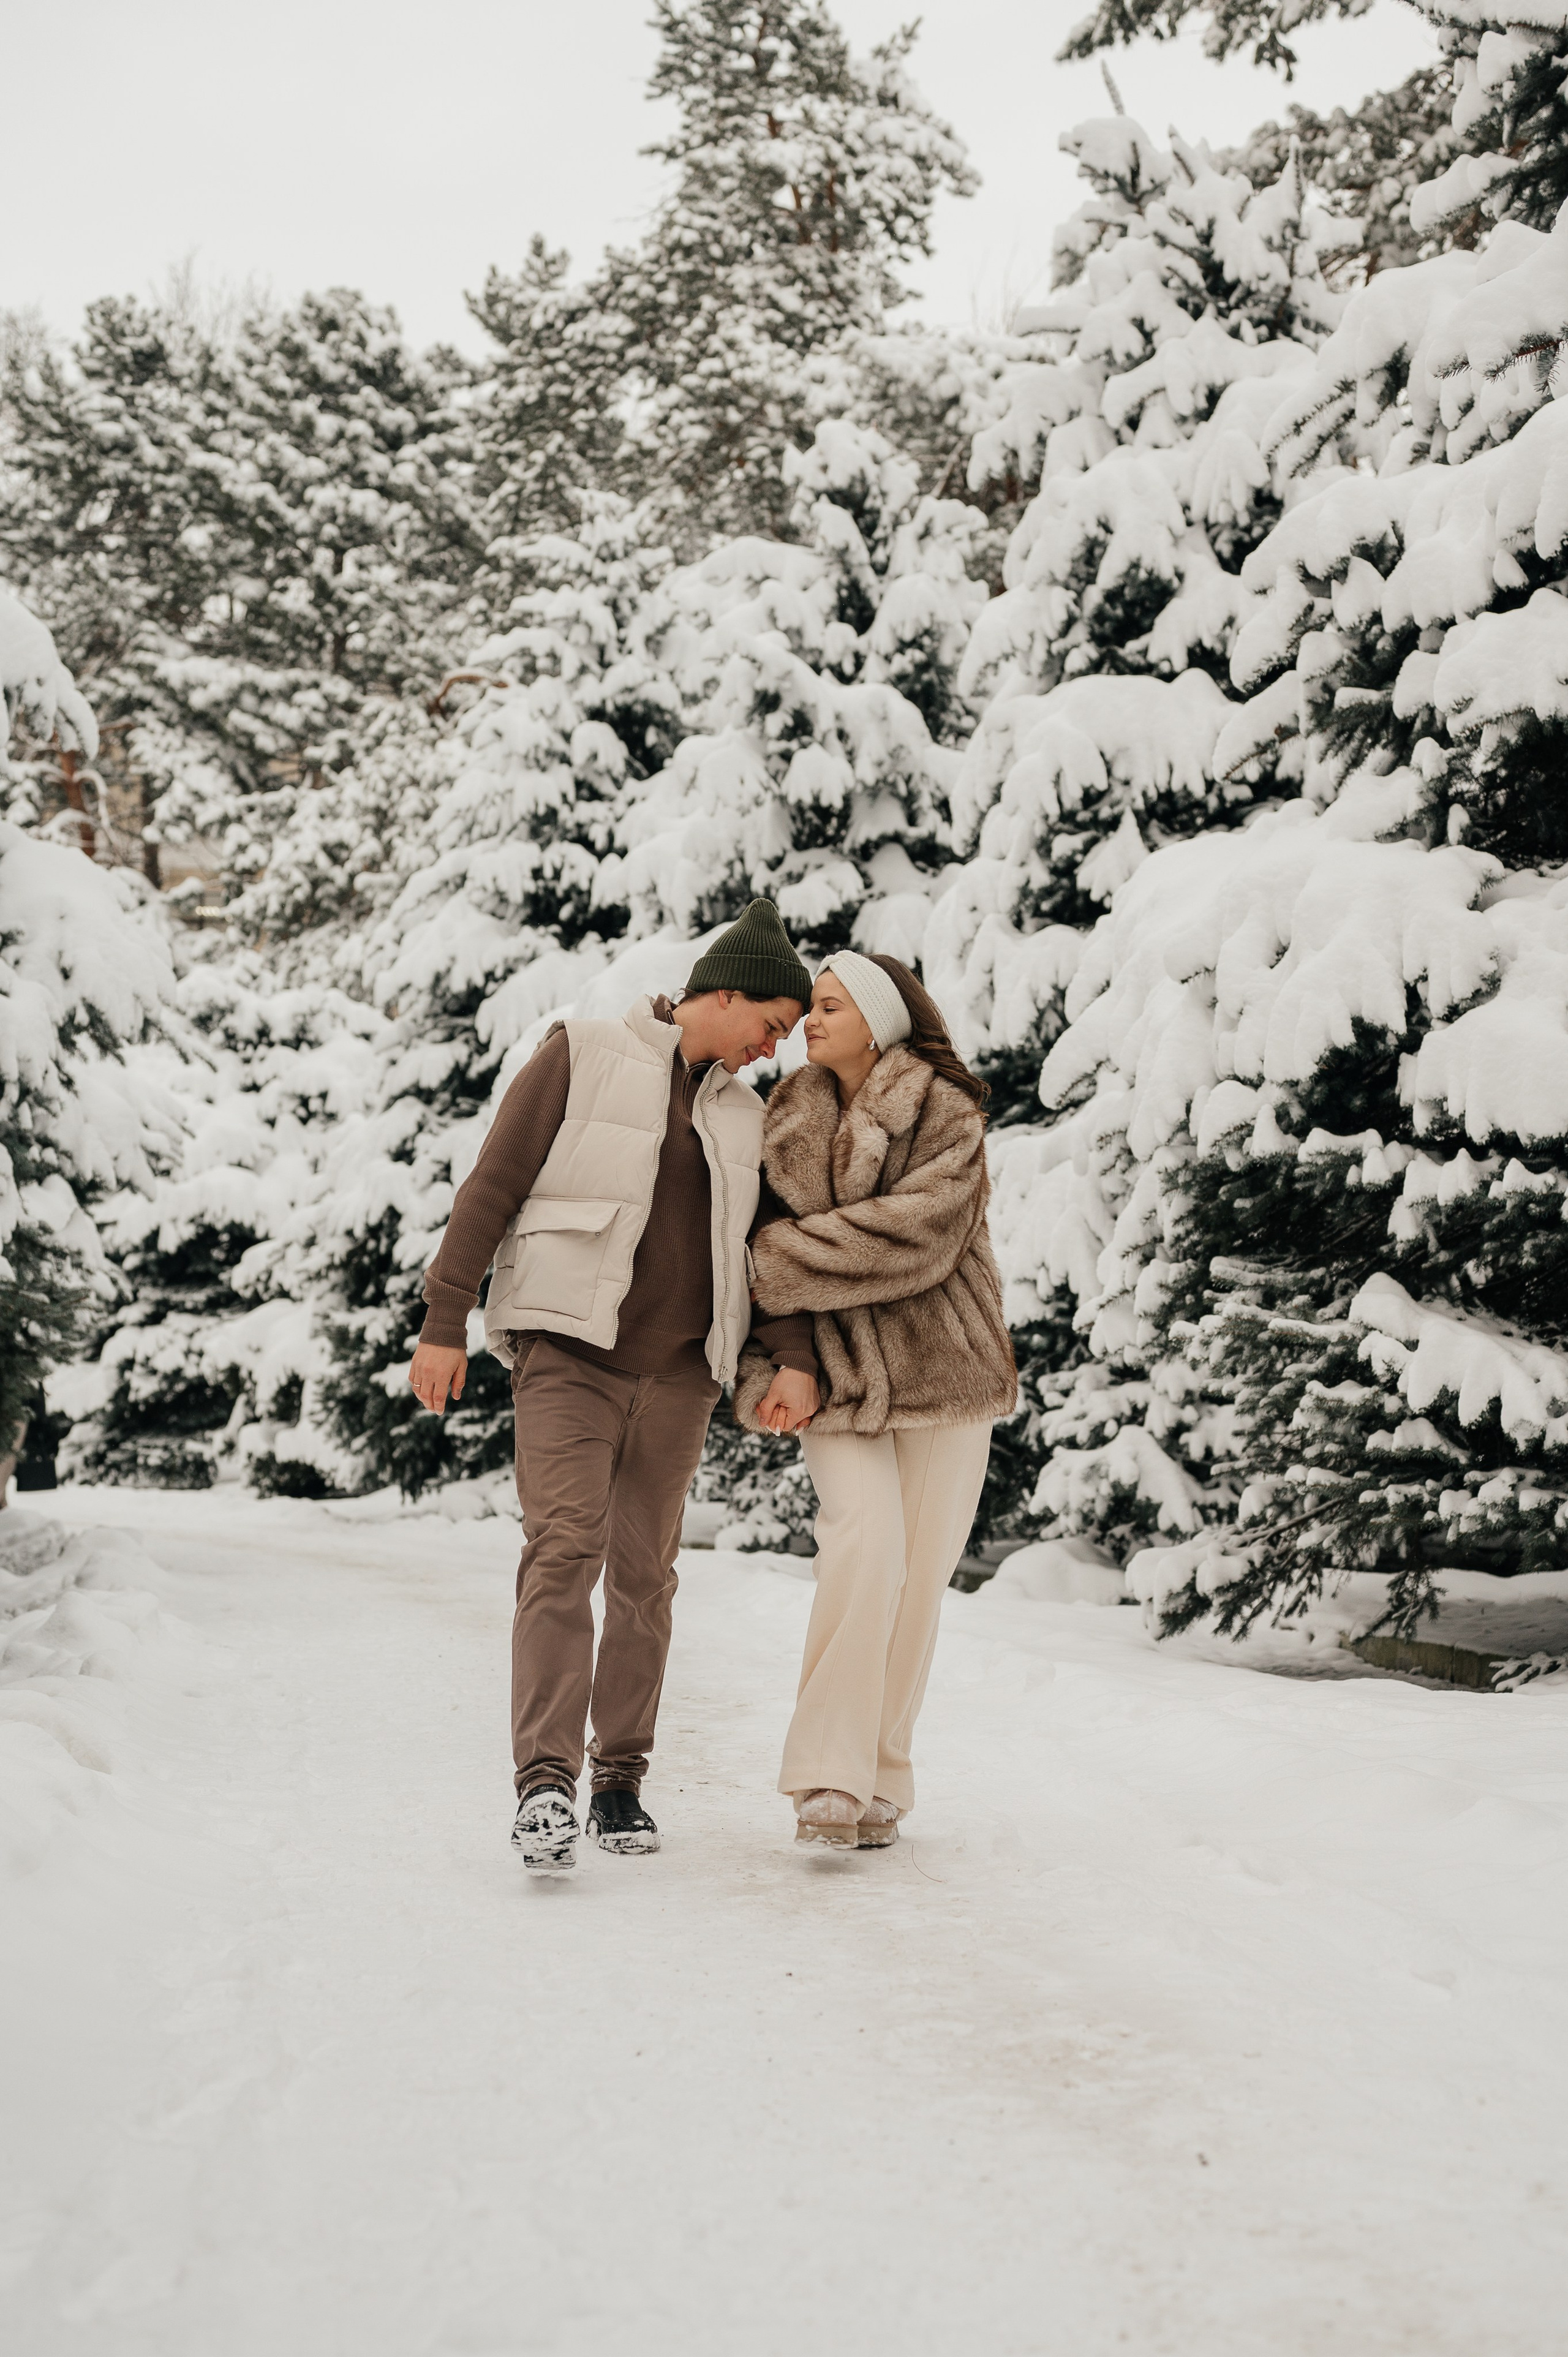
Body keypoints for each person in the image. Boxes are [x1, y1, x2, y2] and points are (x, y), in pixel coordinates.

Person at [407, 900, 816, 1874]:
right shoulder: (582, 1052)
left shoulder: (747, 1118)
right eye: (769, 1026)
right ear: (722, 994)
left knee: (646, 1579)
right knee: (562, 1554)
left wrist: (793, 1356)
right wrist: (442, 1321)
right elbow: (492, 1188)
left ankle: (619, 1780)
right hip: (568, 1358)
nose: (771, 1050)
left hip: (681, 1377)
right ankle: (544, 1787)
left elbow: (767, 1254)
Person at [736, 952, 1016, 1850]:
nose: (809, 1022)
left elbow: (918, 1237)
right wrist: (780, 1344)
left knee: (920, 1578)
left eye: (828, 1006)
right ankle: (827, 1774)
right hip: (838, 1377)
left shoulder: (947, 1111)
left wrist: (783, 1259)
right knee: (866, 1543)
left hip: (947, 1373)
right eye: (810, 1008)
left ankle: (885, 1770)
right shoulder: (787, 1117)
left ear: (883, 1018)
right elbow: (753, 1228)